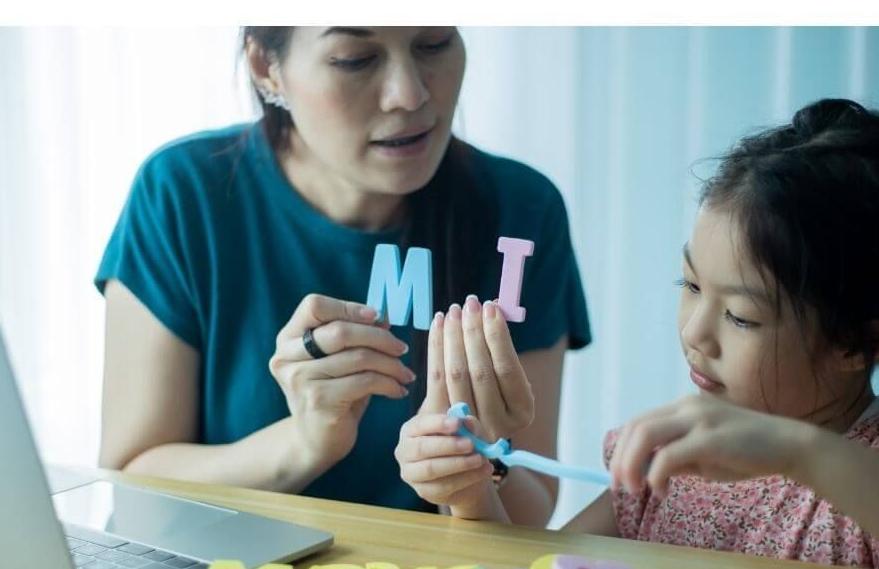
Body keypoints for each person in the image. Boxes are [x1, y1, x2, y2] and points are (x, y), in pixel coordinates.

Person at [409, 98, 879, 569]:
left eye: (741, 316)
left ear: (861, 342)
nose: (696, 332)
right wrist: (471, 493)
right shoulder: (668, 464)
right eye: (691, 287)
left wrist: (797, 452)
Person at [95, 27, 591, 525]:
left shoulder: (522, 210)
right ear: (267, 68)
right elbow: (132, 485)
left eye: (435, 42)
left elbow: (532, 511)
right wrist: (305, 441)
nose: (410, 93)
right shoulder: (182, 194)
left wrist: (475, 467)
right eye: (355, 59)